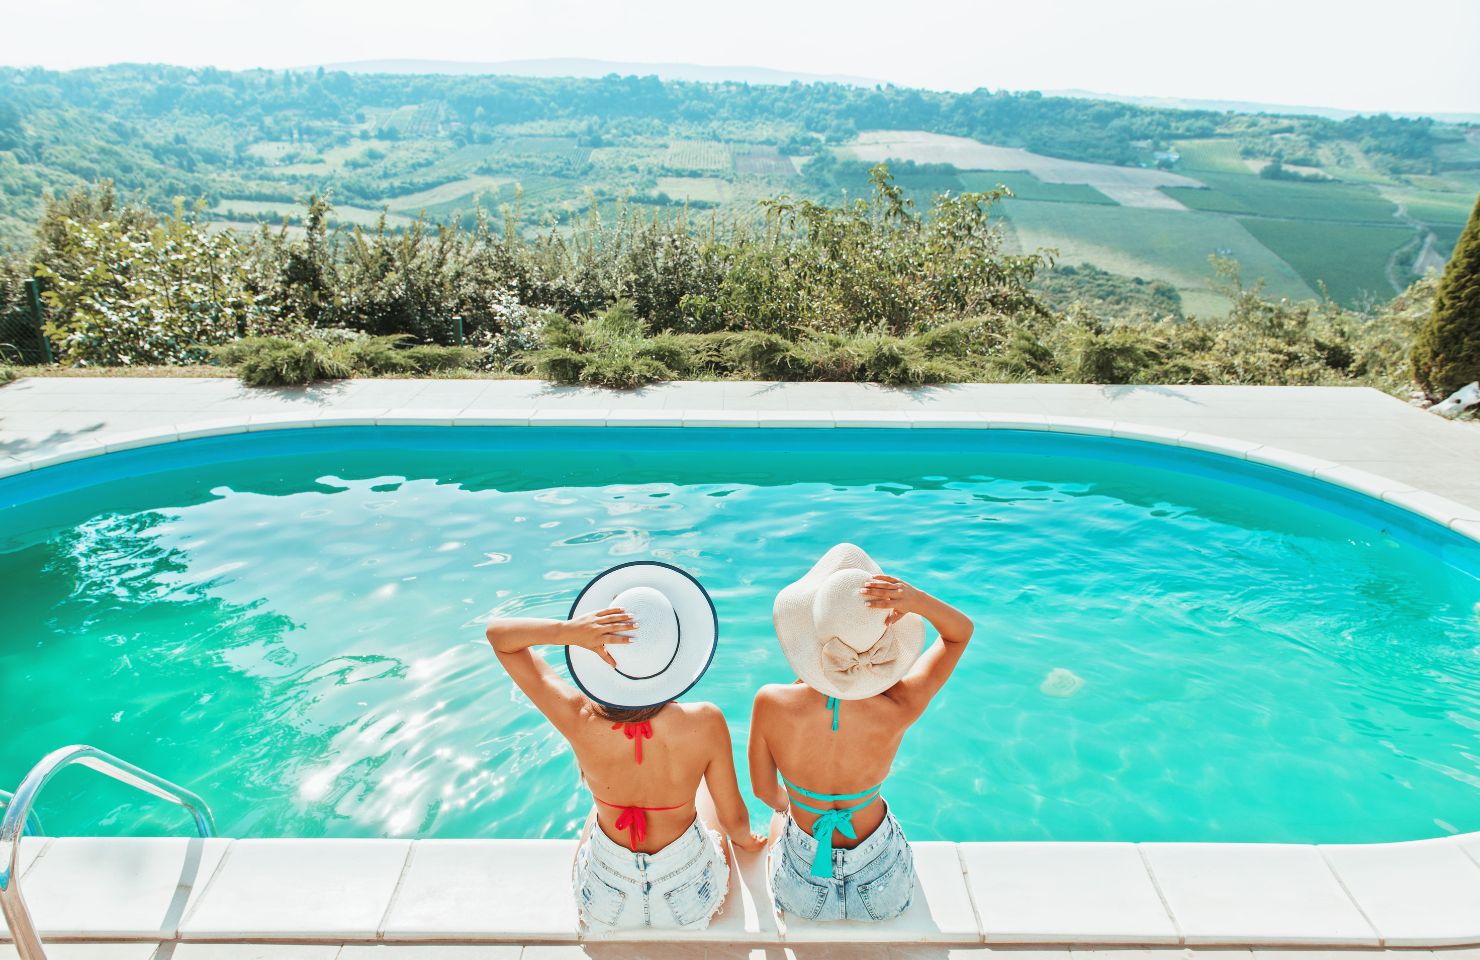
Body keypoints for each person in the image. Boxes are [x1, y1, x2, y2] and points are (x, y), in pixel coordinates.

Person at [486, 560, 766, 932]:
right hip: (686, 901)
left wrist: (568, 631)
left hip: (606, 901)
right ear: (675, 658)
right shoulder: (704, 722)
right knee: (705, 797)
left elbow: (499, 638)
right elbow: (735, 821)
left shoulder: (578, 716)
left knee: (597, 813)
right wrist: (747, 842)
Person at [749, 543, 974, 922]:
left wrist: (790, 808)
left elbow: (763, 791)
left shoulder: (772, 702)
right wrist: (917, 600)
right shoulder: (901, 705)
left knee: (779, 816)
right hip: (882, 886)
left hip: (804, 890)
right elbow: (959, 634)